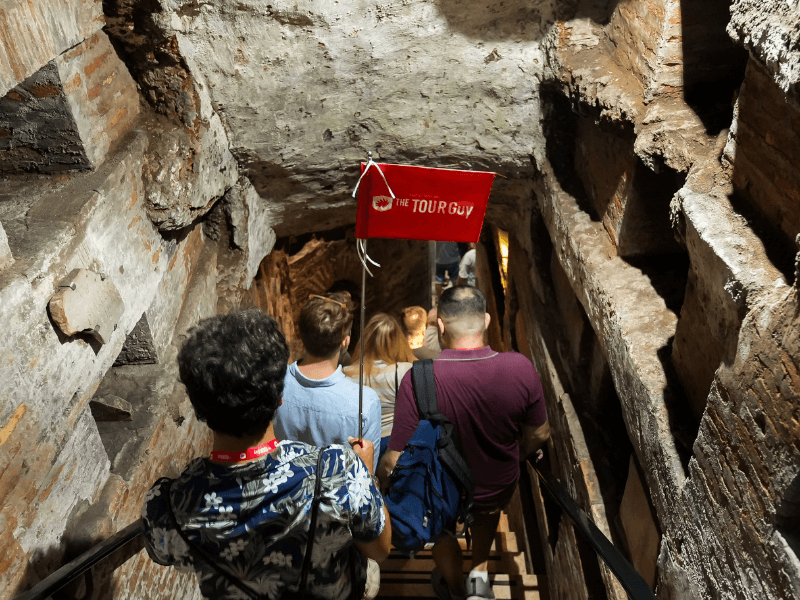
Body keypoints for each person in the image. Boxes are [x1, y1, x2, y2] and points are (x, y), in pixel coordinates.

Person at [141, 309, 391, 600]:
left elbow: (164, 554)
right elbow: (380, 549)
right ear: (279, 397)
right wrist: (366, 476)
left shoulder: (167, 506)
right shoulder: (337, 471)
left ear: (197, 408)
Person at [378, 286, 549, 600]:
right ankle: (479, 576)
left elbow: (393, 458)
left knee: (440, 522)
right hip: (496, 484)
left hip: (442, 489)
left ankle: (454, 585)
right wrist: (514, 455)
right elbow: (540, 434)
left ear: (440, 326)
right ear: (484, 320)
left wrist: (383, 484)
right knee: (486, 509)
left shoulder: (417, 378)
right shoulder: (520, 368)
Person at [274, 292, 382, 472]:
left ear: (300, 333)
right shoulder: (365, 402)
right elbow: (364, 478)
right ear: (345, 341)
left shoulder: (272, 382)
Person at [343, 313, 416, 461]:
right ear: (398, 340)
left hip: (360, 444)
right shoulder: (404, 370)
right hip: (393, 444)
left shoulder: (346, 373)